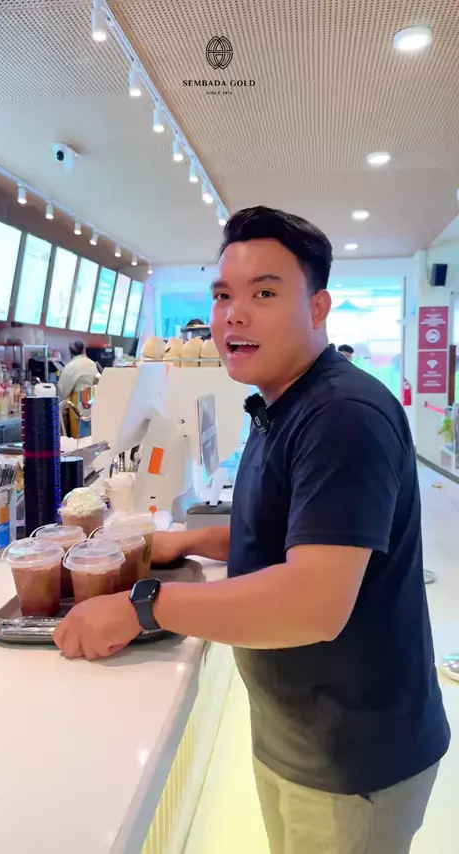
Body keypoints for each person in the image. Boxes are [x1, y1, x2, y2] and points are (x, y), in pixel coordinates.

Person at [54, 206, 450, 854]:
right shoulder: (282, 403)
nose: (234, 314)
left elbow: (314, 602)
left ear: (318, 307)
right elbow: (292, 531)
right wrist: (186, 541)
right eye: (222, 296)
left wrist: (143, 607)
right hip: (299, 737)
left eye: (264, 294)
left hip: (354, 761)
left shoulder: (342, 415)